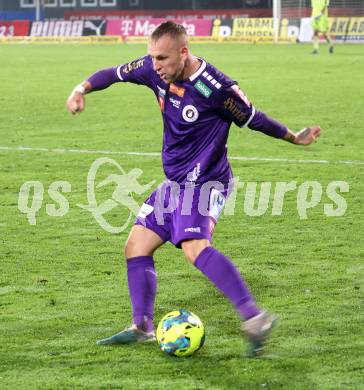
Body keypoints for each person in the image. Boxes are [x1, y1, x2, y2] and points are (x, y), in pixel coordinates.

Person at [66, 21, 321, 357]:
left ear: (183, 52)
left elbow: (254, 118)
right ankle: (142, 326)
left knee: (194, 246)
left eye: (163, 58)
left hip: (205, 182)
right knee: (136, 246)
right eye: (152, 58)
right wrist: (80, 89)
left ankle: (254, 317)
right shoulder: (153, 70)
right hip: (175, 182)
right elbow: (113, 74)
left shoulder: (217, 88)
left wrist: (293, 136)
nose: (156, 65)